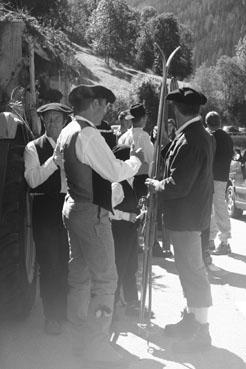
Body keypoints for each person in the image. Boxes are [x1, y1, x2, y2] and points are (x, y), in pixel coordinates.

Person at [54, 84, 144, 367]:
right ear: (93, 104)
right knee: (106, 279)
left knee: (79, 275)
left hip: (72, 207)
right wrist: (135, 160)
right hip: (91, 214)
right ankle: (97, 348)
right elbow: (114, 172)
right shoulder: (88, 135)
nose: (106, 110)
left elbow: (59, 163)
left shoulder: (67, 131)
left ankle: (79, 340)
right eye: (104, 104)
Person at [146, 86, 214, 353]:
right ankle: (192, 320)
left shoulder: (191, 139)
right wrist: (162, 142)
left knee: (194, 273)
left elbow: (178, 183)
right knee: (189, 271)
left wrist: (156, 185)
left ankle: (202, 330)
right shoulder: (194, 134)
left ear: (176, 109)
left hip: (187, 217)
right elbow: (175, 161)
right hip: (188, 215)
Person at [24, 102, 72, 335]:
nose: (52, 123)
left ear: (65, 122)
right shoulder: (33, 147)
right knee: (49, 264)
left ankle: (62, 312)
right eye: (48, 119)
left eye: (56, 119)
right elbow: (32, 180)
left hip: (68, 208)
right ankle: (51, 316)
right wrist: (53, 161)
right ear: (43, 122)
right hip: (45, 209)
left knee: (65, 263)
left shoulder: (72, 145)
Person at [110, 145, 140, 316]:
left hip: (129, 231)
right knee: (119, 267)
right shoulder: (116, 185)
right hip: (119, 232)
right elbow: (107, 210)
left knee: (130, 266)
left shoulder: (129, 181)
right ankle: (111, 305)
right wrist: (127, 216)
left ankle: (132, 301)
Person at [206, 111, 234, 255]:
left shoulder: (211, 137)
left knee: (212, 209)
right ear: (219, 122)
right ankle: (219, 240)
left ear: (207, 123)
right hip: (222, 176)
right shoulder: (227, 137)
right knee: (218, 207)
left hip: (211, 176)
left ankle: (218, 241)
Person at [118, 103, 154, 199]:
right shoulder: (143, 136)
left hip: (124, 181)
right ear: (143, 118)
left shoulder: (123, 137)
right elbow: (152, 160)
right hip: (139, 182)